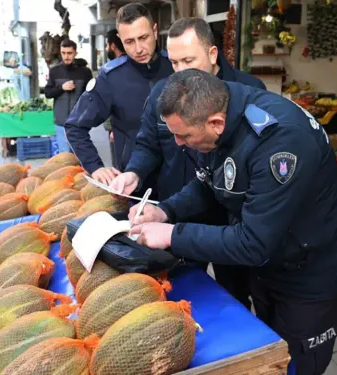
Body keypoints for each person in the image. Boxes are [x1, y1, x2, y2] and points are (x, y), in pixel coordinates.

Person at [128, 69, 337, 375]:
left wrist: (173, 234)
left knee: (297, 362)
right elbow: (209, 184)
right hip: (272, 263)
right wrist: (165, 211)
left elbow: (253, 243)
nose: (178, 143)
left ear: (215, 123)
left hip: (311, 274)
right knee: (267, 355)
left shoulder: (280, 141)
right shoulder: (220, 113)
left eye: (183, 135)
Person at [110, 17, 266, 309]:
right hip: (175, 212)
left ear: (212, 54)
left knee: (232, 297)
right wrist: (134, 171)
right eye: (175, 62)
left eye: (189, 60)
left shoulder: (247, 90)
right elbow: (147, 144)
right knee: (178, 291)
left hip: (227, 222)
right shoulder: (163, 95)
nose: (181, 71)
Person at [64, 3, 174, 185]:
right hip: (134, 184)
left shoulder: (176, 67)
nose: (138, 49)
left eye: (143, 37)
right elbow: (75, 126)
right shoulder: (111, 78)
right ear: (120, 40)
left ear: (155, 31)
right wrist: (95, 166)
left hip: (182, 183)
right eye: (129, 42)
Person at [44, 39, 93, 153]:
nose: (66, 56)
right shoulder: (54, 71)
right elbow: (47, 93)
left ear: (75, 53)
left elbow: (92, 95)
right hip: (61, 122)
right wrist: (61, 88)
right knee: (65, 157)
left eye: (69, 53)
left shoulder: (85, 72)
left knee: (80, 156)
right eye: (63, 53)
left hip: (79, 122)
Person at [102, 28, 127, 167]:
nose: (107, 48)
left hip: (119, 129)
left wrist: (113, 128)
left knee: (119, 166)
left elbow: (113, 102)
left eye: (107, 45)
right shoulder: (137, 66)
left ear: (113, 46)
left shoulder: (111, 70)